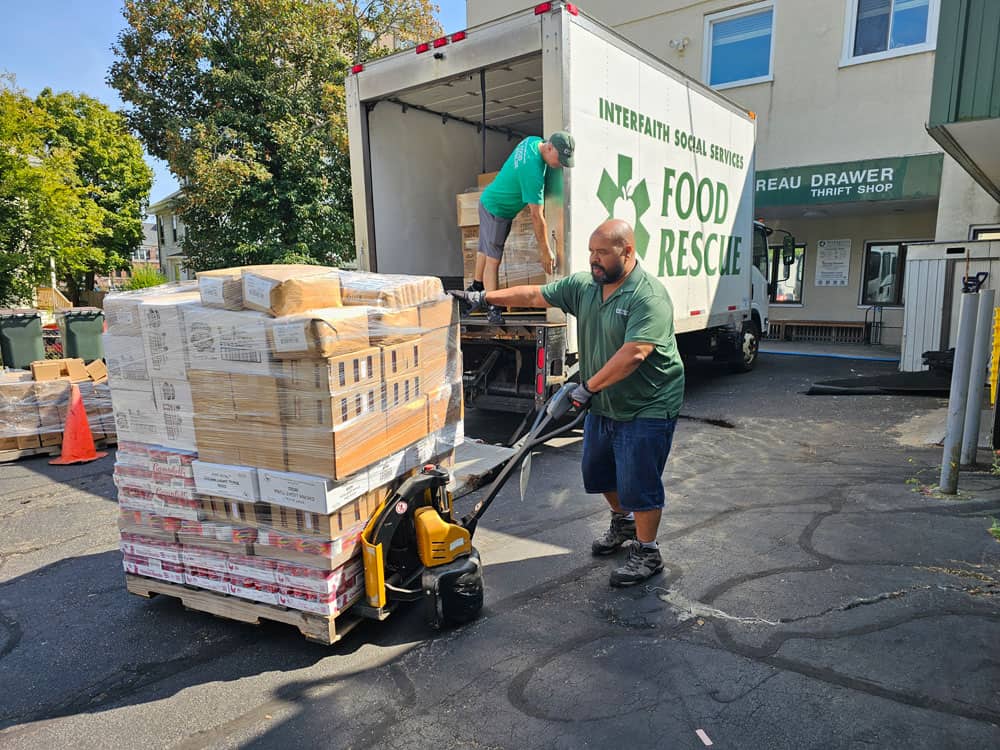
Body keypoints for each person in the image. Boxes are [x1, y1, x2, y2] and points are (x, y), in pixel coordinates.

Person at [450, 219, 684, 587]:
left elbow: (635, 353)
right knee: (598, 470)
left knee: (640, 480)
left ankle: (647, 550)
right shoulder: (585, 286)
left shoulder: (648, 296)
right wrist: (485, 297)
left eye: (601, 253)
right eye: (591, 251)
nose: (593, 260)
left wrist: (586, 387)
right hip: (605, 398)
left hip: (647, 402)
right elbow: (534, 296)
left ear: (627, 251)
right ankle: (623, 523)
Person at [469, 131, 575, 324]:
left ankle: (476, 287)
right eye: (559, 159)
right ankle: (493, 306)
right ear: (550, 147)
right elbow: (536, 215)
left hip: (488, 200)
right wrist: (545, 250)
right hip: (497, 210)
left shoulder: (532, 142)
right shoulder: (533, 172)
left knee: (485, 248)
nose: (560, 164)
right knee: (494, 260)